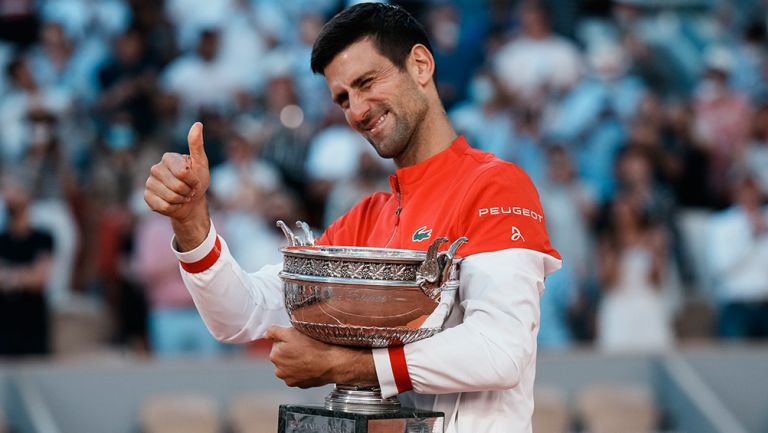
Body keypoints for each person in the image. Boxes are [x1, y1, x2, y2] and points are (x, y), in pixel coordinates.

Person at [143, 3, 561, 432]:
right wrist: (191, 223)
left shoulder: (495, 185)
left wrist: (342, 364)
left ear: (420, 65)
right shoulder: (365, 219)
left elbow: (499, 351)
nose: (357, 110)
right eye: (343, 98)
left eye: (366, 82)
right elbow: (242, 313)